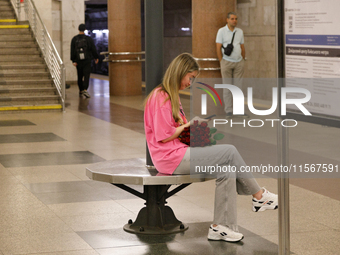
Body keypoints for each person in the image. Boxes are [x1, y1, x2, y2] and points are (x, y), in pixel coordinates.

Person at [144, 53, 278, 243]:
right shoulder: (161, 96)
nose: (191, 82)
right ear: (180, 72)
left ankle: (220, 227)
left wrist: (190, 126)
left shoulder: (171, 96)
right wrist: (187, 125)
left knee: (227, 170)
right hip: (170, 158)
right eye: (191, 77)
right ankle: (259, 196)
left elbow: (173, 130)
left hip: (177, 153)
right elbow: (163, 135)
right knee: (230, 151)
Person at [216, 12, 247, 118]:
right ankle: (229, 111)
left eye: (236, 19)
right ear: (227, 20)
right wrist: (222, 61)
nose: (235, 21)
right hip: (226, 62)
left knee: (239, 87)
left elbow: (242, 46)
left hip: (239, 62)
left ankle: (239, 110)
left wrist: (243, 58)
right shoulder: (221, 31)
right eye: (232, 19)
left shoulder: (240, 32)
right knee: (227, 87)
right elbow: (218, 47)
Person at [70, 24, 99, 98]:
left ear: (78, 29)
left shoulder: (74, 39)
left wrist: (73, 60)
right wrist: (96, 57)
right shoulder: (88, 39)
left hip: (78, 60)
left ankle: (81, 90)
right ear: (85, 29)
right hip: (87, 60)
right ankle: (85, 89)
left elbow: (72, 50)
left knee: (79, 75)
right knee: (86, 75)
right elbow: (93, 49)